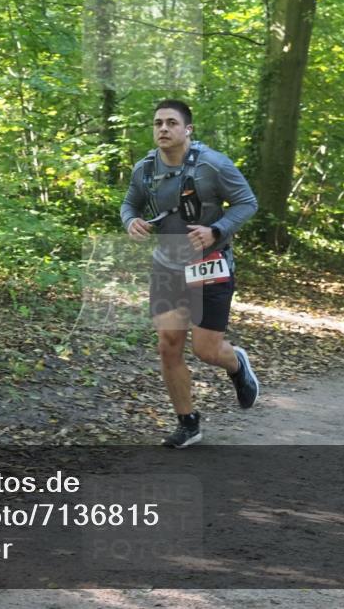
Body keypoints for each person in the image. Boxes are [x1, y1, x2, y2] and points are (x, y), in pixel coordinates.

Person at [121, 99, 259, 448]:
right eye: (157, 123)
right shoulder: (145, 169)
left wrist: (216, 230)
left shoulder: (213, 165)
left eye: (171, 123)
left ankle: (236, 363)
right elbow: (129, 204)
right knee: (168, 345)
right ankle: (188, 422)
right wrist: (130, 221)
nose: (163, 129)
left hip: (209, 262)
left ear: (188, 130)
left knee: (206, 349)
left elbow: (247, 203)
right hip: (167, 264)